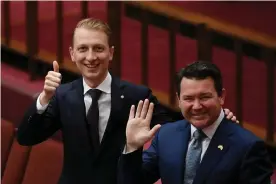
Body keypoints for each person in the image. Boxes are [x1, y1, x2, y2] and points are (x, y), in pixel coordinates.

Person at [17, 18, 237, 184]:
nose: (91, 57)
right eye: (83, 49)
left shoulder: (135, 95)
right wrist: (44, 98)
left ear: (111, 53)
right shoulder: (63, 96)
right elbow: (26, 137)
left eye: (99, 48)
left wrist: (215, 121)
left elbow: (177, 126)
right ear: (72, 54)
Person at [118, 61, 273, 184]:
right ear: (179, 100)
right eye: (189, 98)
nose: (197, 106)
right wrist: (132, 147)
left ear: (221, 96)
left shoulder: (248, 146)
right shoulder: (166, 135)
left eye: (204, 97)